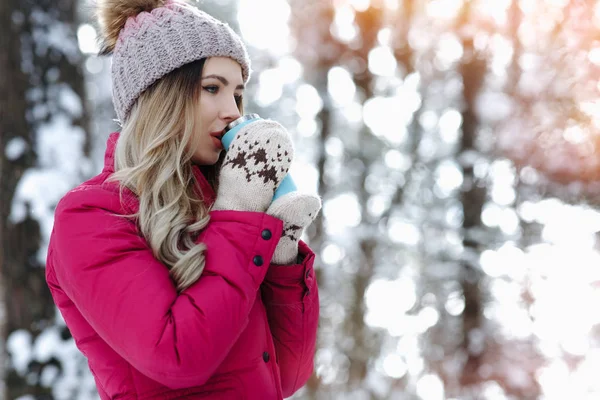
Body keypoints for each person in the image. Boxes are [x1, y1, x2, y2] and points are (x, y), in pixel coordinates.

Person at [45, 0, 321, 398]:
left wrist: (280, 255)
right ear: (161, 95)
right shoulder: (91, 216)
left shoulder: (220, 210)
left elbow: (287, 373)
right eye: (212, 88)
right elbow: (178, 357)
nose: (232, 112)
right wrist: (240, 212)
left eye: (238, 95)